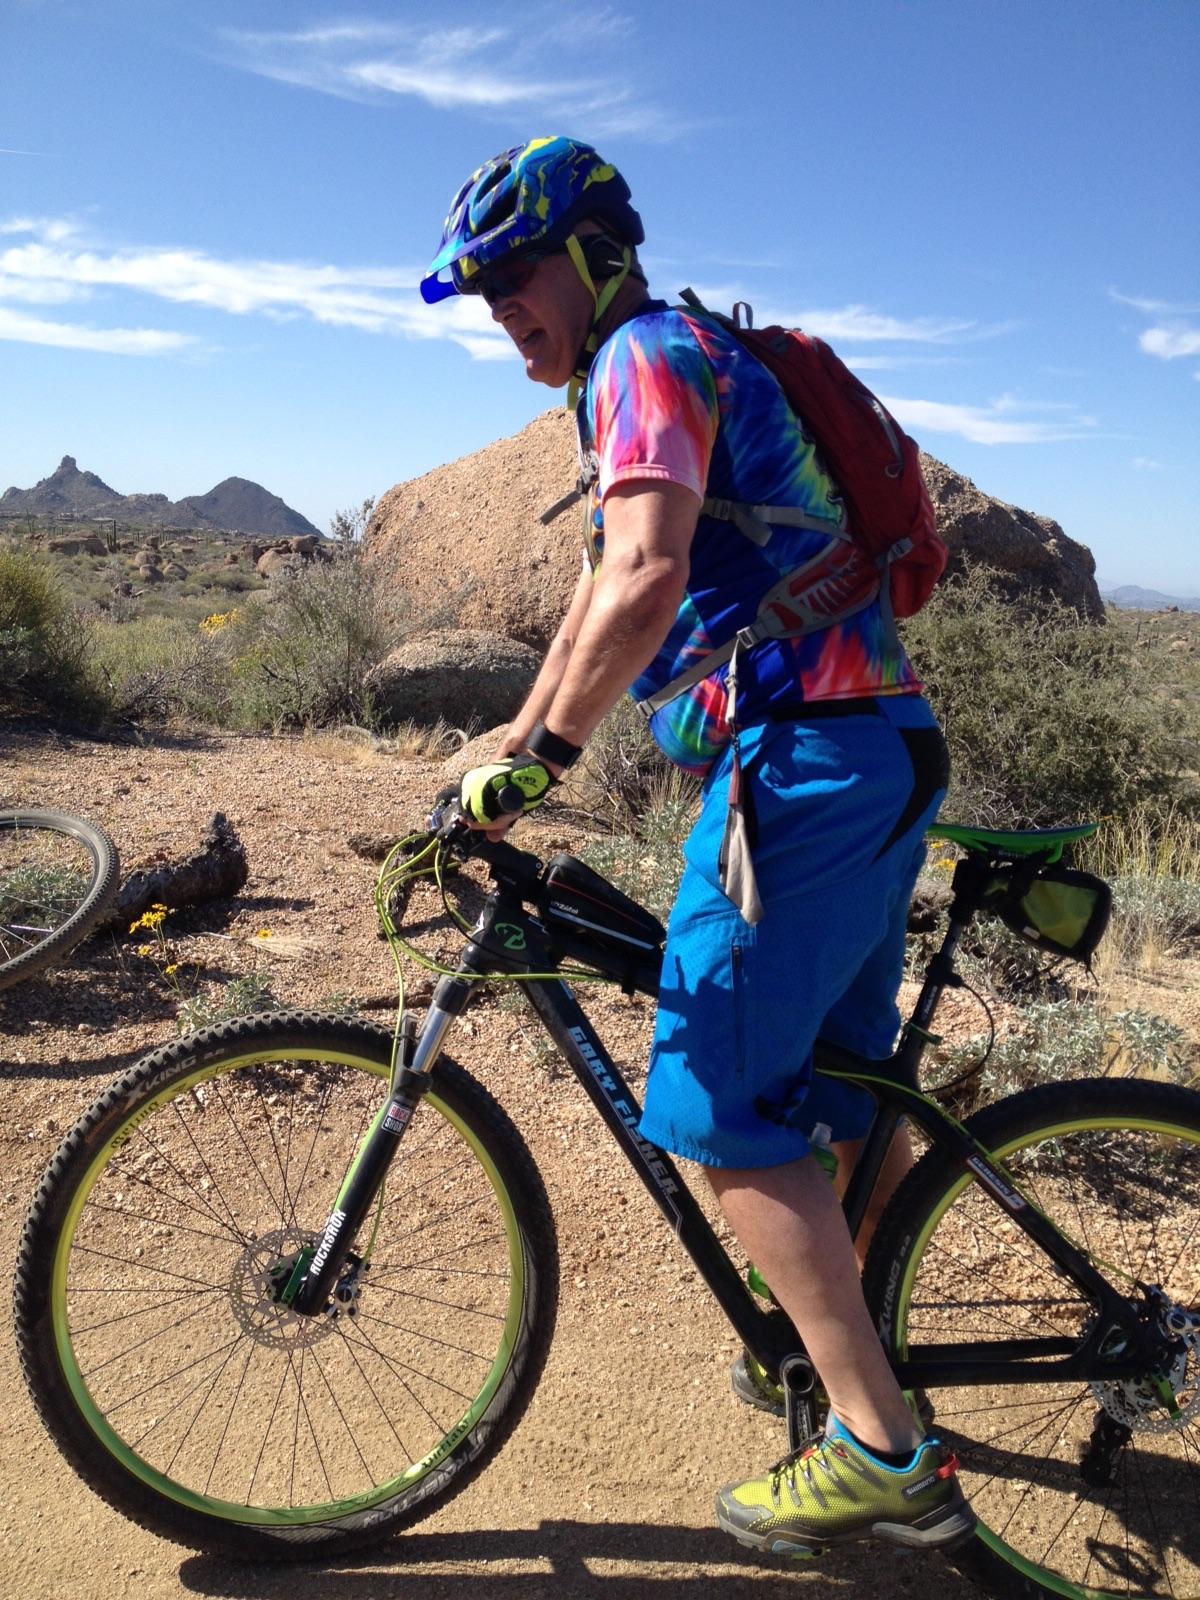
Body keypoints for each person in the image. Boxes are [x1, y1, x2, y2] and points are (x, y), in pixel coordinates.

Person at [420, 135, 974, 1559]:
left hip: (802, 769)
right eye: (483, 296)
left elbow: (653, 575)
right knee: (837, 1090)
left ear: (595, 255)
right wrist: (512, 743)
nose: (503, 313)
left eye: (514, 278)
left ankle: (880, 1450)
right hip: (877, 749)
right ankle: (842, 1341)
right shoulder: (669, 358)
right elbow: (601, 593)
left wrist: (543, 758)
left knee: (721, 1114)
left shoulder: (644, 358)